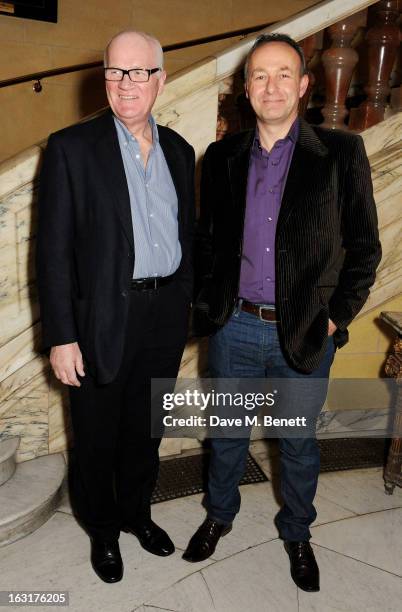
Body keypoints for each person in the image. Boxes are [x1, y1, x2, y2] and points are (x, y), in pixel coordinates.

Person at [183, 33, 381, 593]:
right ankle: (219, 515)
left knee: (296, 441)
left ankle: (297, 532)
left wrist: (335, 317)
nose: (271, 85)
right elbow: (205, 242)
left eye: (283, 74)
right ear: (246, 90)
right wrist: (208, 305)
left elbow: (365, 251)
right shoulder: (221, 157)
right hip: (233, 327)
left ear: (304, 84)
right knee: (226, 434)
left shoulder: (341, 153)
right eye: (259, 75)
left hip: (304, 331)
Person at [36, 30, 195, 583]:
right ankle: (103, 531)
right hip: (100, 319)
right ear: (104, 77)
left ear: (161, 78)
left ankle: (136, 513)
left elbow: (187, 236)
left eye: (139, 72)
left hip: (164, 317)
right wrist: (61, 335)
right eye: (115, 72)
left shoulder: (180, 151)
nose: (126, 84)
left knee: (146, 431)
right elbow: (51, 252)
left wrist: (187, 308)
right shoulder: (70, 149)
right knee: (97, 436)